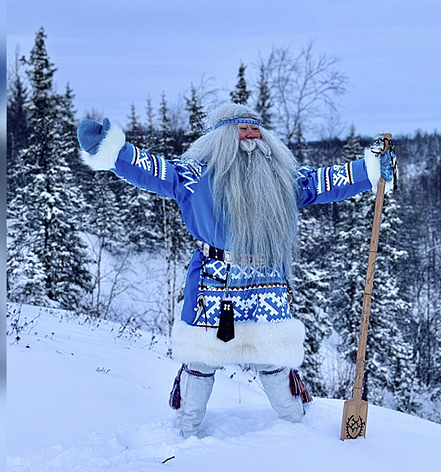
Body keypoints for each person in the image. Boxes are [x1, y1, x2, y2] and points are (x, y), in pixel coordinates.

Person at [77, 103, 394, 438]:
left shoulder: (282, 179)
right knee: (200, 362)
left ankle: (298, 434)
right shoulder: (193, 176)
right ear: (220, 138)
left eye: (255, 129)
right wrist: (113, 151)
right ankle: (184, 435)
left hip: (266, 282)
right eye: (242, 129)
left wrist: (369, 168)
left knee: (273, 358)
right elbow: (154, 170)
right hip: (215, 282)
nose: (251, 135)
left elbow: (324, 182)